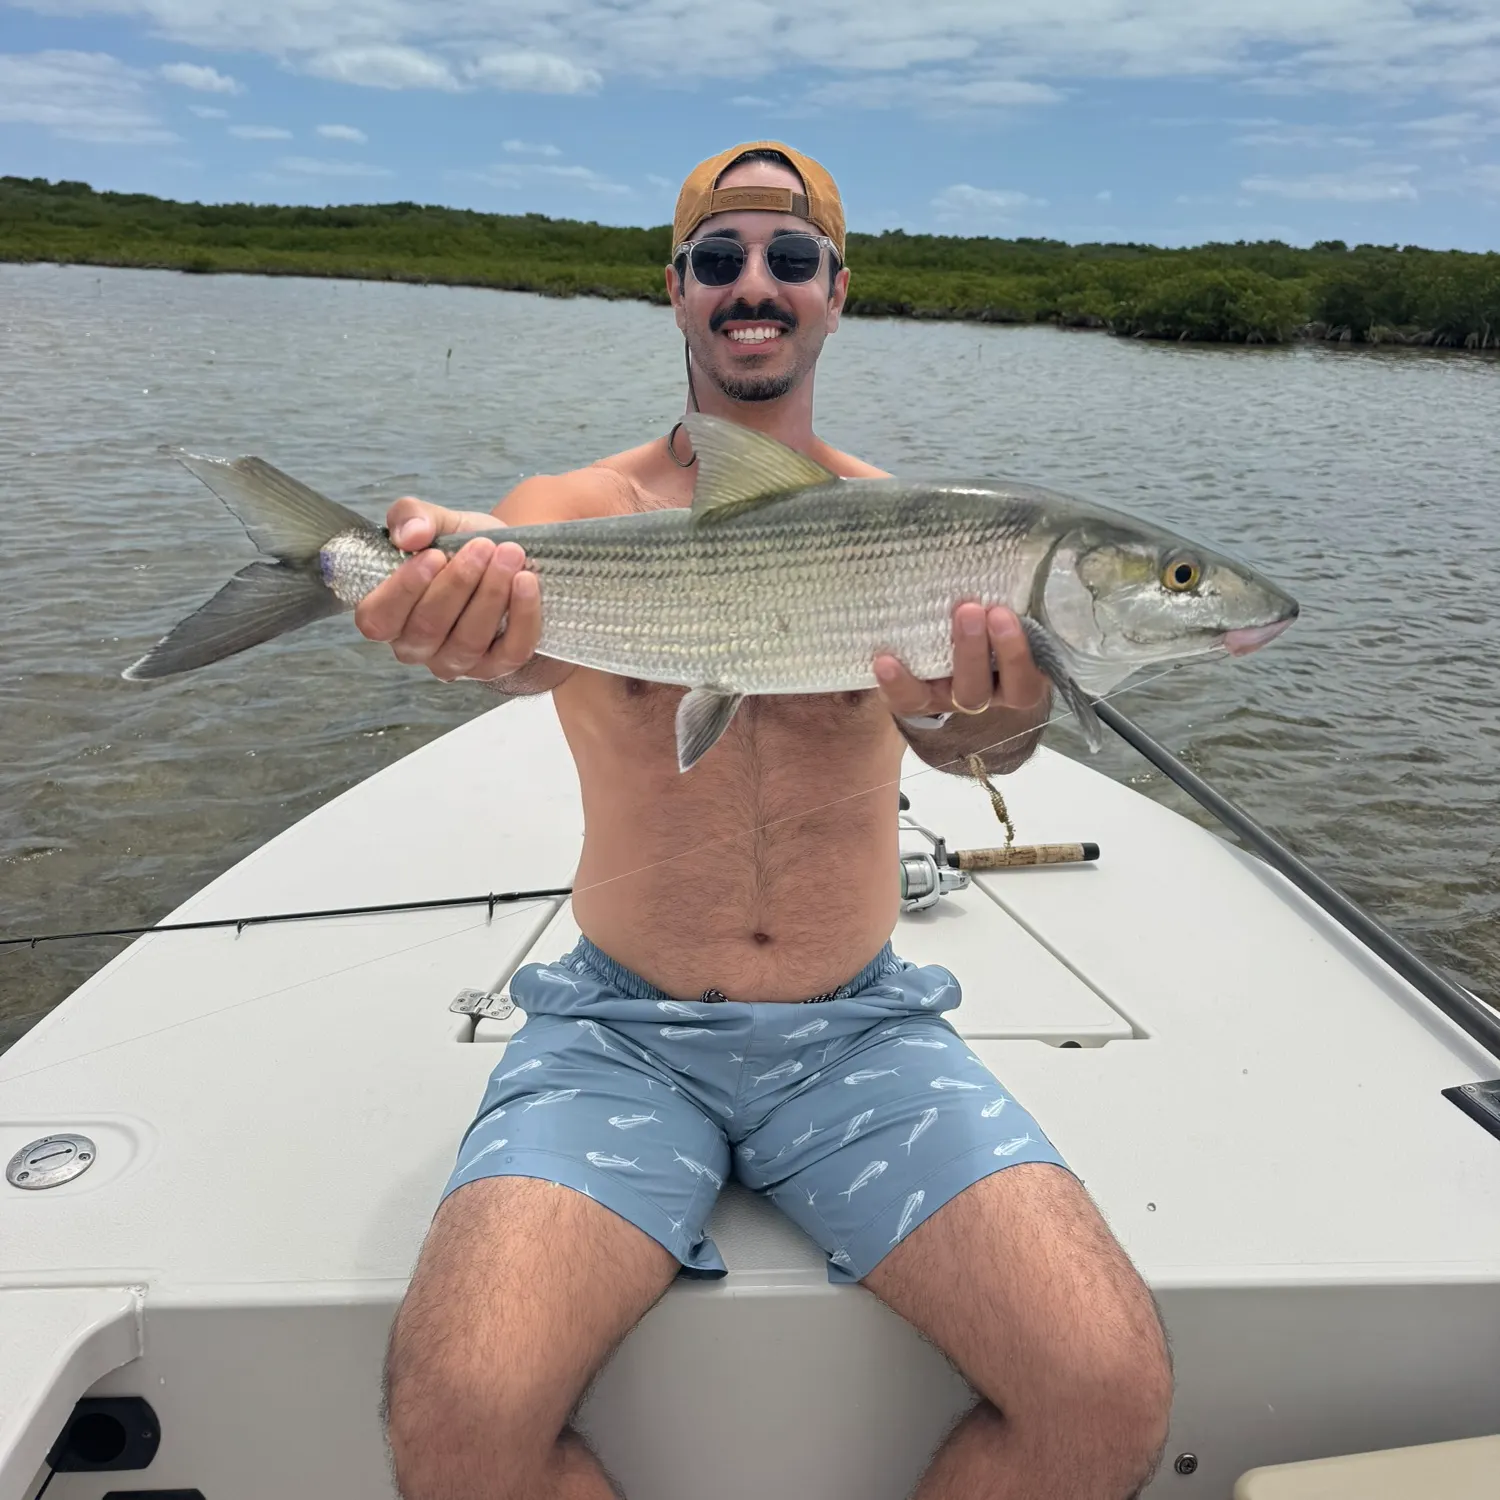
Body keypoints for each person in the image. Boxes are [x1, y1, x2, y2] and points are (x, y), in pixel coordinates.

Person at [369, 141, 1172, 1500]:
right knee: (456, 1418)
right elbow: (505, 617)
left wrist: (994, 708)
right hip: (622, 1035)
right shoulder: (572, 514)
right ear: (676, 291)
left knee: (1108, 1393)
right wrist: (440, 604)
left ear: (835, 293)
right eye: (720, 259)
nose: (757, 284)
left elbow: (973, 737)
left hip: (857, 1035)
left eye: (790, 260)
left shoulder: (906, 527)